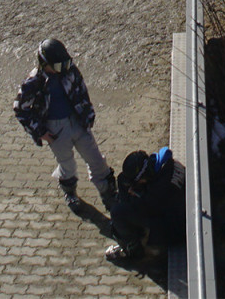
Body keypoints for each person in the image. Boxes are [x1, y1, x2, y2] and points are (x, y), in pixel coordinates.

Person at [13, 38, 114, 211]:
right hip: (56, 129)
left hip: (78, 122)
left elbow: (82, 90)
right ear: (44, 64)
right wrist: (39, 131)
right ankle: (70, 192)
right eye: (59, 66)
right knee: (67, 165)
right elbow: (20, 109)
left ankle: (109, 195)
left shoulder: (69, 70)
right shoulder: (34, 81)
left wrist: (88, 114)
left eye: (66, 64)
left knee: (96, 160)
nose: (64, 69)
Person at [104, 147, 185, 265]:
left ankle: (134, 249)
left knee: (118, 213)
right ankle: (137, 236)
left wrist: (134, 196)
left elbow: (145, 206)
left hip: (174, 228)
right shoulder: (163, 165)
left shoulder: (161, 188)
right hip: (167, 206)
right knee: (123, 181)